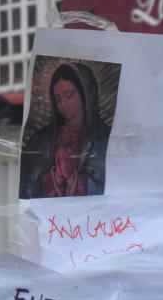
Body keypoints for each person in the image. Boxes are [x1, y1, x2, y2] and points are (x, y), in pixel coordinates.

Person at [19, 62, 111, 199]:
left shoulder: (105, 140)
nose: (63, 105)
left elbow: (113, 190)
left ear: (86, 94)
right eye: (58, 99)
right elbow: (26, 188)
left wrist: (72, 177)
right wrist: (52, 178)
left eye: (69, 95)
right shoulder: (40, 141)